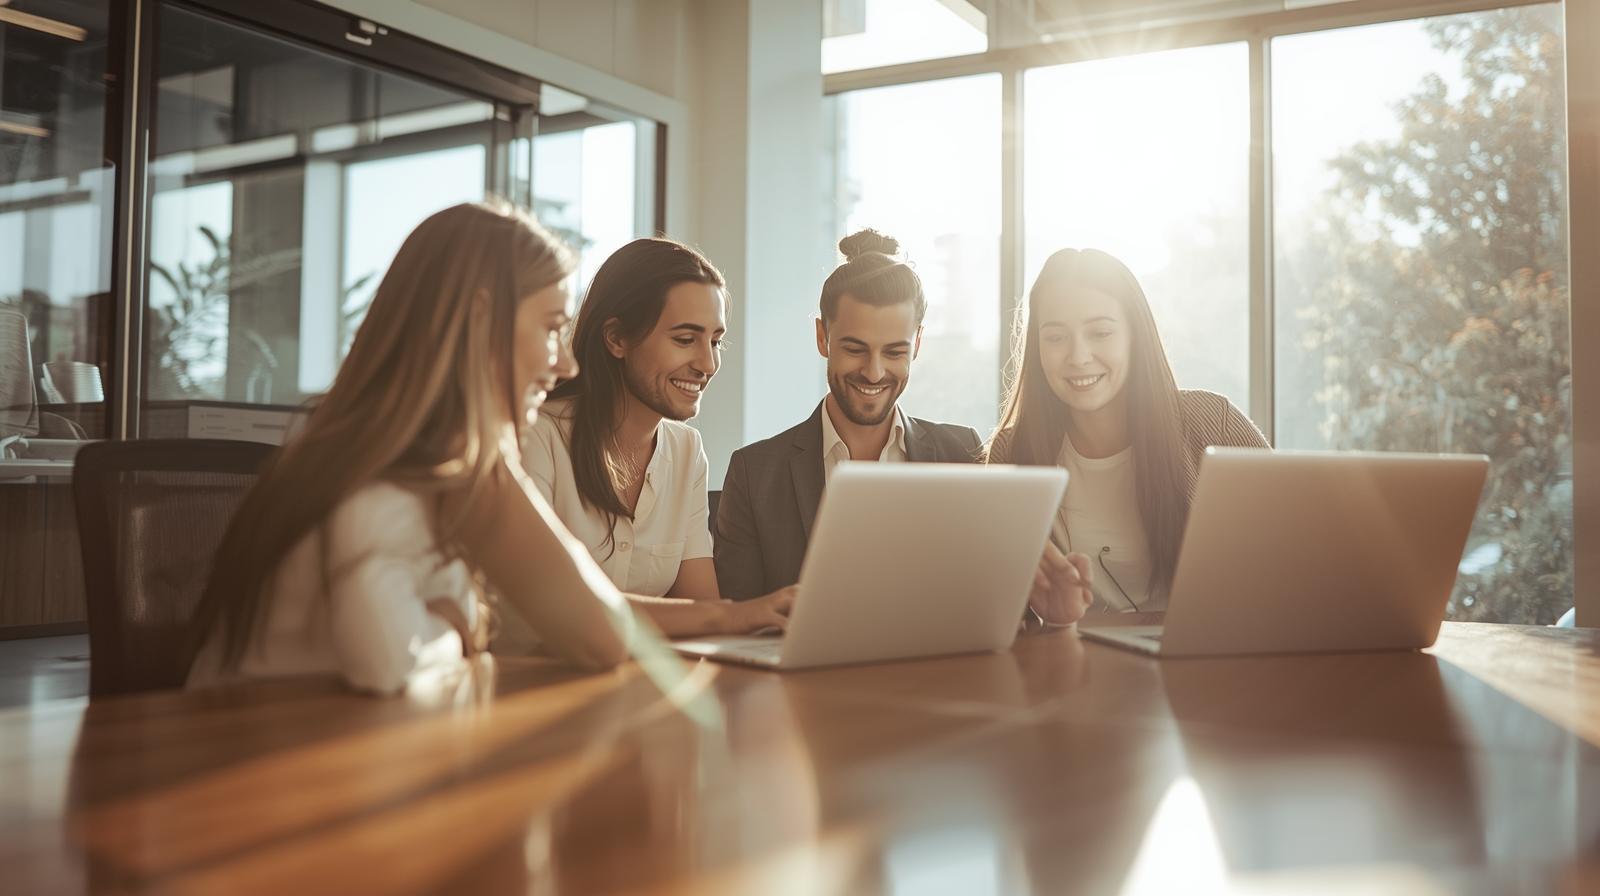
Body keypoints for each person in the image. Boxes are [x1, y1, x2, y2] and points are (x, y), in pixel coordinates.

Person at [188, 201, 634, 695]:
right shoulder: (378, 486)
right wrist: (456, 629)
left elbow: (603, 635)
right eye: (552, 328)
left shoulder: (411, 467)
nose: (567, 365)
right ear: (479, 319)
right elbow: (389, 665)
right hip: (255, 757)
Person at [515, 238, 795, 643]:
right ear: (616, 339)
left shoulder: (686, 452)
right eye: (685, 339)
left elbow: (701, 611)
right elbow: (557, 607)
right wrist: (740, 616)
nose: (708, 364)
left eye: (715, 341)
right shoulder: (537, 439)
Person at [985, 247, 1269, 622]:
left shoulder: (1212, 423)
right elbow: (1006, 616)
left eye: (1100, 332)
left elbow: (1290, 555)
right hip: (1076, 666)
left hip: (1206, 662)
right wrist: (1056, 621)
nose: (1078, 356)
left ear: (1135, 336)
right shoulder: (1012, 452)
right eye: (1055, 338)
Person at [713, 229, 985, 601]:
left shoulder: (964, 454)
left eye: (893, 352)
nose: (873, 373)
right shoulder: (754, 474)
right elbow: (738, 622)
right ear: (823, 337)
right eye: (855, 349)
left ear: (917, 344)